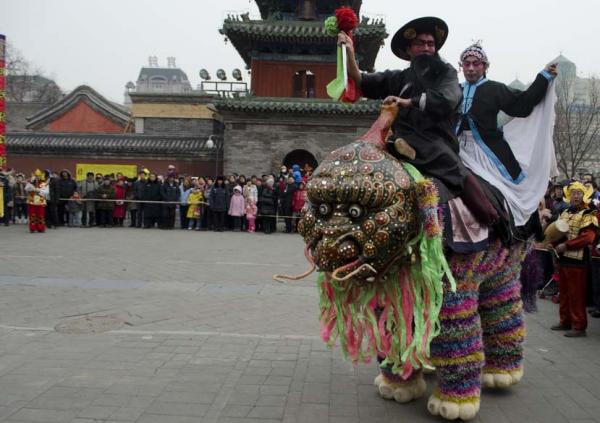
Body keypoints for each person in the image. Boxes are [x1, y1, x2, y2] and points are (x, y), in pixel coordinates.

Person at [338, 17, 497, 225]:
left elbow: (448, 98)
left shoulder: (446, 73)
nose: (426, 48)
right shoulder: (399, 78)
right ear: (408, 50)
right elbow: (360, 79)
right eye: (420, 43)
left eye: (430, 44)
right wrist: (349, 52)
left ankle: (491, 217)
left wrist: (408, 101)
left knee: (454, 168)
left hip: (435, 142)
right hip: (401, 140)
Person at [455, 41, 557, 227]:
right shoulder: (454, 89)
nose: (470, 69)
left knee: (499, 191)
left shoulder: (495, 89)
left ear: (485, 67)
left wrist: (543, 78)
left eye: (476, 64)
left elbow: (522, 104)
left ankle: (505, 229)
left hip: (487, 153)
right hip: (455, 148)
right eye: (466, 64)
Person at [549, 181, 599, 337]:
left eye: (579, 193)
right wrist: (553, 243)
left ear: (584, 195)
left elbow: (588, 238)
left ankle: (579, 326)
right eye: (573, 193)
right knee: (563, 292)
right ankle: (565, 321)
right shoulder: (565, 212)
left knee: (576, 294)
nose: (575, 196)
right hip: (563, 258)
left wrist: (566, 246)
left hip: (578, 260)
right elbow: (558, 231)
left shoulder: (588, 213)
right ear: (569, 195)